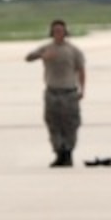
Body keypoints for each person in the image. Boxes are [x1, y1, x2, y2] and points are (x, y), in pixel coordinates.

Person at [25, 19, 86, 167]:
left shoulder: (74, 50)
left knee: (71, 125)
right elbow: (28, 58)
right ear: (52, 33)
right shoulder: (46, 48)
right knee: (53, 124)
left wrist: (82, 89)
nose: (58, 33)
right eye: (55, 30)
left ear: (65, 32)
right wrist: (41, 56)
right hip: (52, 92)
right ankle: (59, 153)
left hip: (69, 93)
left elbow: (81, 71)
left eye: (61, 30)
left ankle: (68, 153)